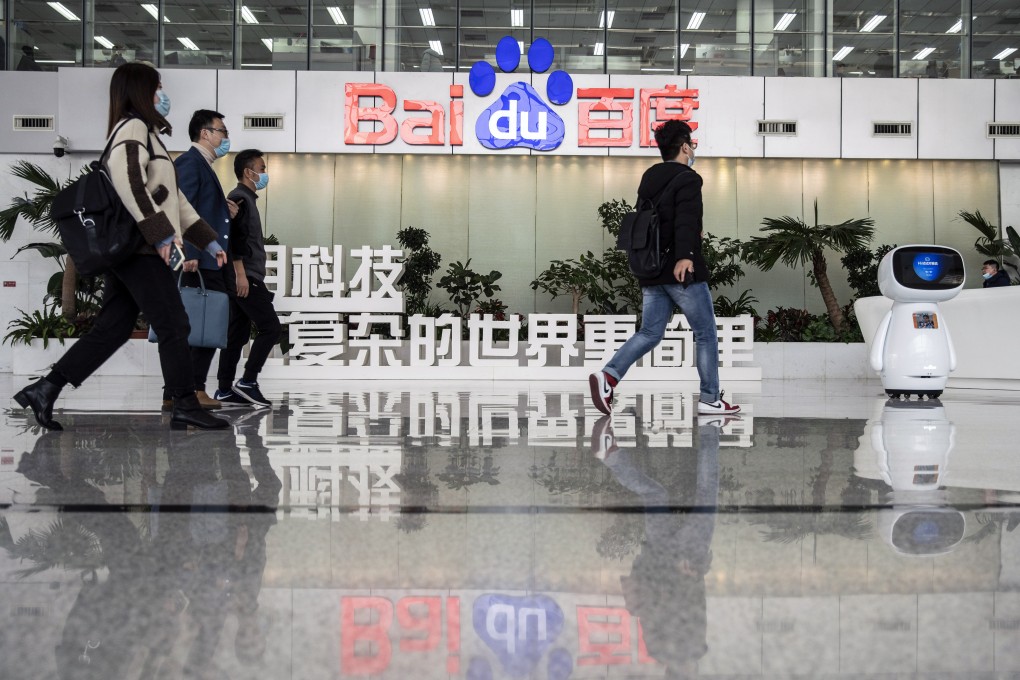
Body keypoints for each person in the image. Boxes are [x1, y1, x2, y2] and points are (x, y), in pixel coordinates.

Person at [12, 62, 229, 431]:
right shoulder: (133, 127)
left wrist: (207, 241)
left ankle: (46, 389)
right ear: (140, 92)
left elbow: (173, 199)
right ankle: (185, 404)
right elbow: (130, 182)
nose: (163, 95)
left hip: (135, 248)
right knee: (175, 323)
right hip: (140, 249)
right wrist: (161, 235)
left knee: (113, 328)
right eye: (157, 88)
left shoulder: (148, 133)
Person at [589, 120, 740, 417]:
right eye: (692, 143)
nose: (693, 148)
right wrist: (686, 256)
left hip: (651, 267)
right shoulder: (688, 178)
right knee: (706, 333)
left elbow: (650, 222)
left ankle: (608, 377)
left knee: (650, 332)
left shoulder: (649, 177)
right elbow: (687, 220)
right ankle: (710, 398)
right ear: (684, 146)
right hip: (679, 269)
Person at [594, 413, 723, 677]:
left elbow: (691, 606)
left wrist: (691, 573)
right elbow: (656, 607)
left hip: (687, 558)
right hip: (659, 554)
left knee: (706, 491)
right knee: (654, 494)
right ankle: (611, 456)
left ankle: (710, 428)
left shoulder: (691, 647)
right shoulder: (655, 647)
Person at [170, 109, 238, 411]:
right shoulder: (190, 162)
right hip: (200, 261)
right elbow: (181, 210)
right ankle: (194, 388)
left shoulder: (202, 165)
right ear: (204, 133)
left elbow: (198, 207)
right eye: (221, 131)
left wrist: (223, 210)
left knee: (198, 324)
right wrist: (190, 254)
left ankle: (174, 391)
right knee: (205, 325)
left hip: (207, 259)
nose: (225, 137)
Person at [215, 148, 281, 408]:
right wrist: (241, 275)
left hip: (245, 276)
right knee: (271, 327)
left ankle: (223, 388)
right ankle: (248, 381)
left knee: (237, 334)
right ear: (248, 172)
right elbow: (235, 240)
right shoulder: (238, 198)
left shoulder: (247, 199)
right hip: (245, 276)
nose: (264, 174)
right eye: (262, 169)